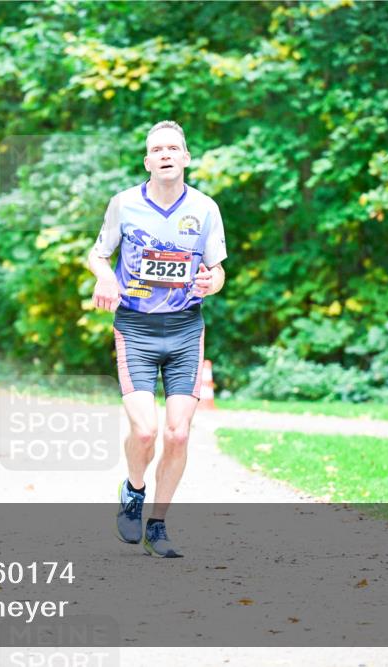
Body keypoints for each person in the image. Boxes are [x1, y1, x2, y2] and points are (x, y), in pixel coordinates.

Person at [87, 120, 227, 558]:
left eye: (173, 148)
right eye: (157, 149)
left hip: (186, 329)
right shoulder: (124, 205)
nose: (165, 154)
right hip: (136, 328)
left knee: (179, 434)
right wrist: (105, 277)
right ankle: (133, 491)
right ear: (148, 161)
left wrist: (211, 282)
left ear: (185, 158)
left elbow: (218, 269)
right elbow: (97, 254)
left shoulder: (205, 209)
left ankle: (159, 525)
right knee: (145, 431)